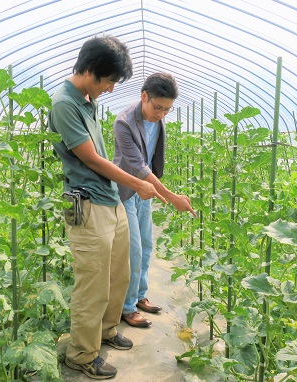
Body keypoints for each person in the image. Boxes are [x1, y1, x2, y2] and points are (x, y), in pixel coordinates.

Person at [48, 36, 165, 380]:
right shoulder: (64, 104)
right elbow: (92, 159)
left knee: (119, 273)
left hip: (110, 200)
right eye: (111, 81)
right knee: (93, 284)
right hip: (88, 204)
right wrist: (139, 183)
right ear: (93, 72)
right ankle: (82, 354)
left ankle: (107, 330)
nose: (112, 89)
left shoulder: (86, 100)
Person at [113, 72, 197, 328]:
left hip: (145, 191)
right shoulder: (124, 122)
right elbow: (138, 166)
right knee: (133, 251)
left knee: (147, 245)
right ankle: (126, 309)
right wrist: (172, 198)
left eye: (167, 110)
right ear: (144, 96)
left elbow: (151, 161)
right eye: (157, 107)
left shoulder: (158, 120)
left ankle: (139, 296)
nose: (161, 114)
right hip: (127, 189)